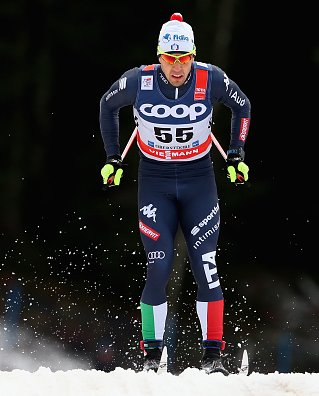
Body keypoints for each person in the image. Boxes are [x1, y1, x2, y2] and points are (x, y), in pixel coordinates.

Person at [98, 13, 251, 375]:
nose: (178, 67)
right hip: (156, 183)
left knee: (206, 268)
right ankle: (152, 357)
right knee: (159, 267)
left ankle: (213, 358)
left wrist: (237, 153)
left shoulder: (210, 78)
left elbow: (242, 106)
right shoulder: (139, 80)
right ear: (159, 56)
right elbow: (107, 105)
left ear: (194, 56)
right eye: (170, 58)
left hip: (200, 182)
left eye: (184, 59)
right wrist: (112, 157)